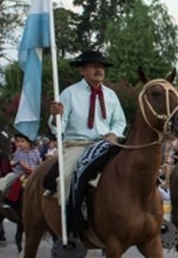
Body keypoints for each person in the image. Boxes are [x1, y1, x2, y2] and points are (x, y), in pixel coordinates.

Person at [47, 50, 127, 197]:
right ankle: (69, 216)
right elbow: (59, 128)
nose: (99, 70)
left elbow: (119, 121)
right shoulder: (69, 93)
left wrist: (113, 134)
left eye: (101, 67)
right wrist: (55, 116)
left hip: (106, 144)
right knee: (67, 179)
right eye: (94, 66)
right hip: (78, 145)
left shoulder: (111, 95)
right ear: (82, 70)